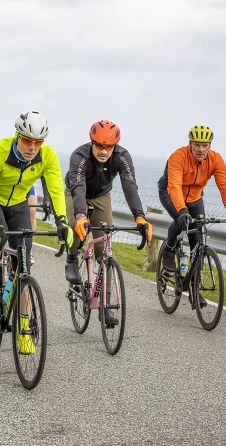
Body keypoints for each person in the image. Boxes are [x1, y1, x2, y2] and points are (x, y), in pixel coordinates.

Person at [0, 111, 71, 354]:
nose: (32, 147)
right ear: (18, 136)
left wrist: (62, 221)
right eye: (27, 140)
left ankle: (23, 327)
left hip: (17, 203)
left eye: (38, 142)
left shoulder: (47, 156)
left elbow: (56, 189)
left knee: (24, 266)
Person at [64, 120, 152, 327]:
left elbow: (130, 186)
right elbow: (78, 188)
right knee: (77, 225)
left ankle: (105, 305)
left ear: (115, 146)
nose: (104, 151)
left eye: (109, 147)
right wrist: (80, 216)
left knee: (105, 250)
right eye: (99, 146)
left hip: (102, 196)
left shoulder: (122, 157)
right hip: (75, 192)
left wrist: (139, 216)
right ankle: (71, 258)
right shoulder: (79, 156)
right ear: (92, 142)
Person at [158, 125, 226, 281]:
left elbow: (224, 185)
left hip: (195, 198)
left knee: (197, 242)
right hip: (169, 192)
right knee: (181, 219)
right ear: (190, 144)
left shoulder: (216, 159)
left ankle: (194, 289)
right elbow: (175, 186)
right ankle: (169, 249)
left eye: (205, 145)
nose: (201, 149)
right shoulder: (178, 156)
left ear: (210, 145)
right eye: (197, 145)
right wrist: (182, 211)